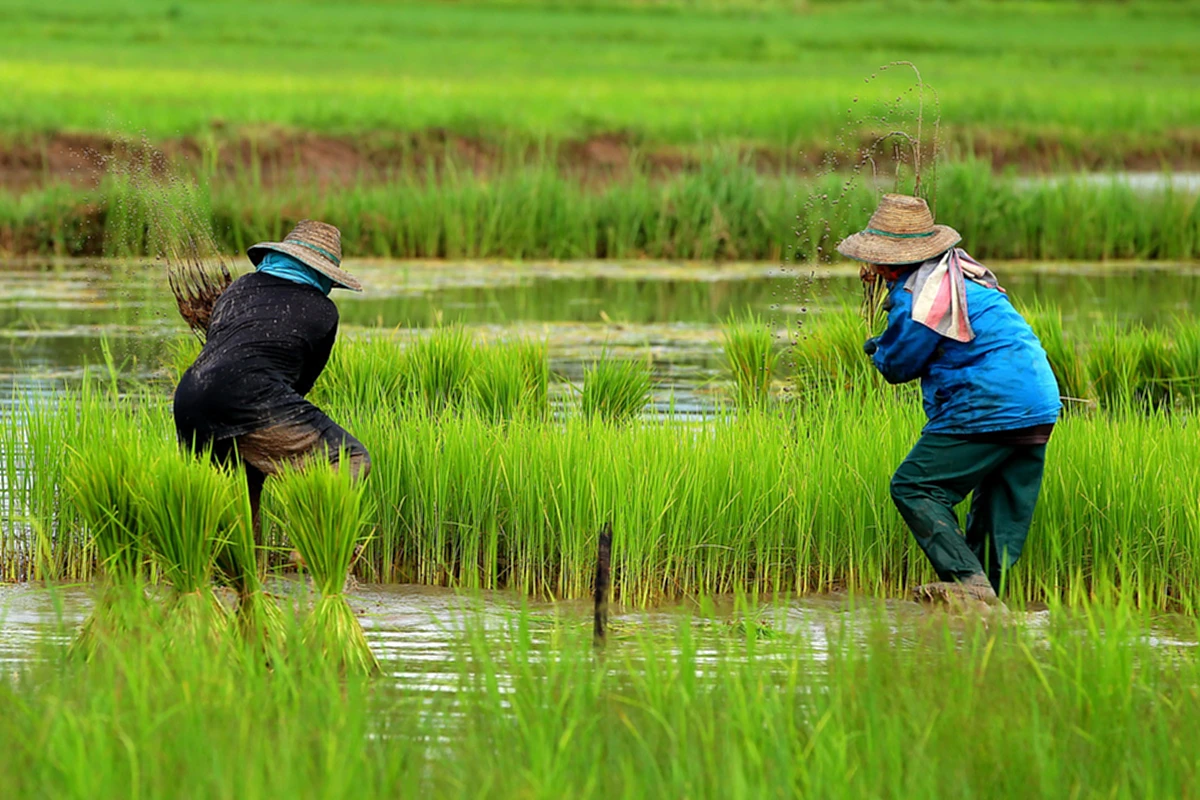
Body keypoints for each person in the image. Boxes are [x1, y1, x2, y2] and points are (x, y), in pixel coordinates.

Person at [837, 194, 1062, 606]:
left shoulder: (918, 296)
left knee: (915, 485)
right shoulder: (962, 274)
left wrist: (876, 348)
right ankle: (990, 611)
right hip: (1039, 403)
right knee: (997, 513)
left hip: (990, 403)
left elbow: (899, 365)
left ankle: (968, 585)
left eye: (873, 262)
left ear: (887, 262)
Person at [173, 220, 371, 540]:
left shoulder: (236, 289)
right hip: (251, 397)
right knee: (350, 458)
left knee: (240, 501)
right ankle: (315, 545)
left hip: (190, 398)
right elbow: (298, 383)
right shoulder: (322, 310)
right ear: (322, 274)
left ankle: (238, 583)